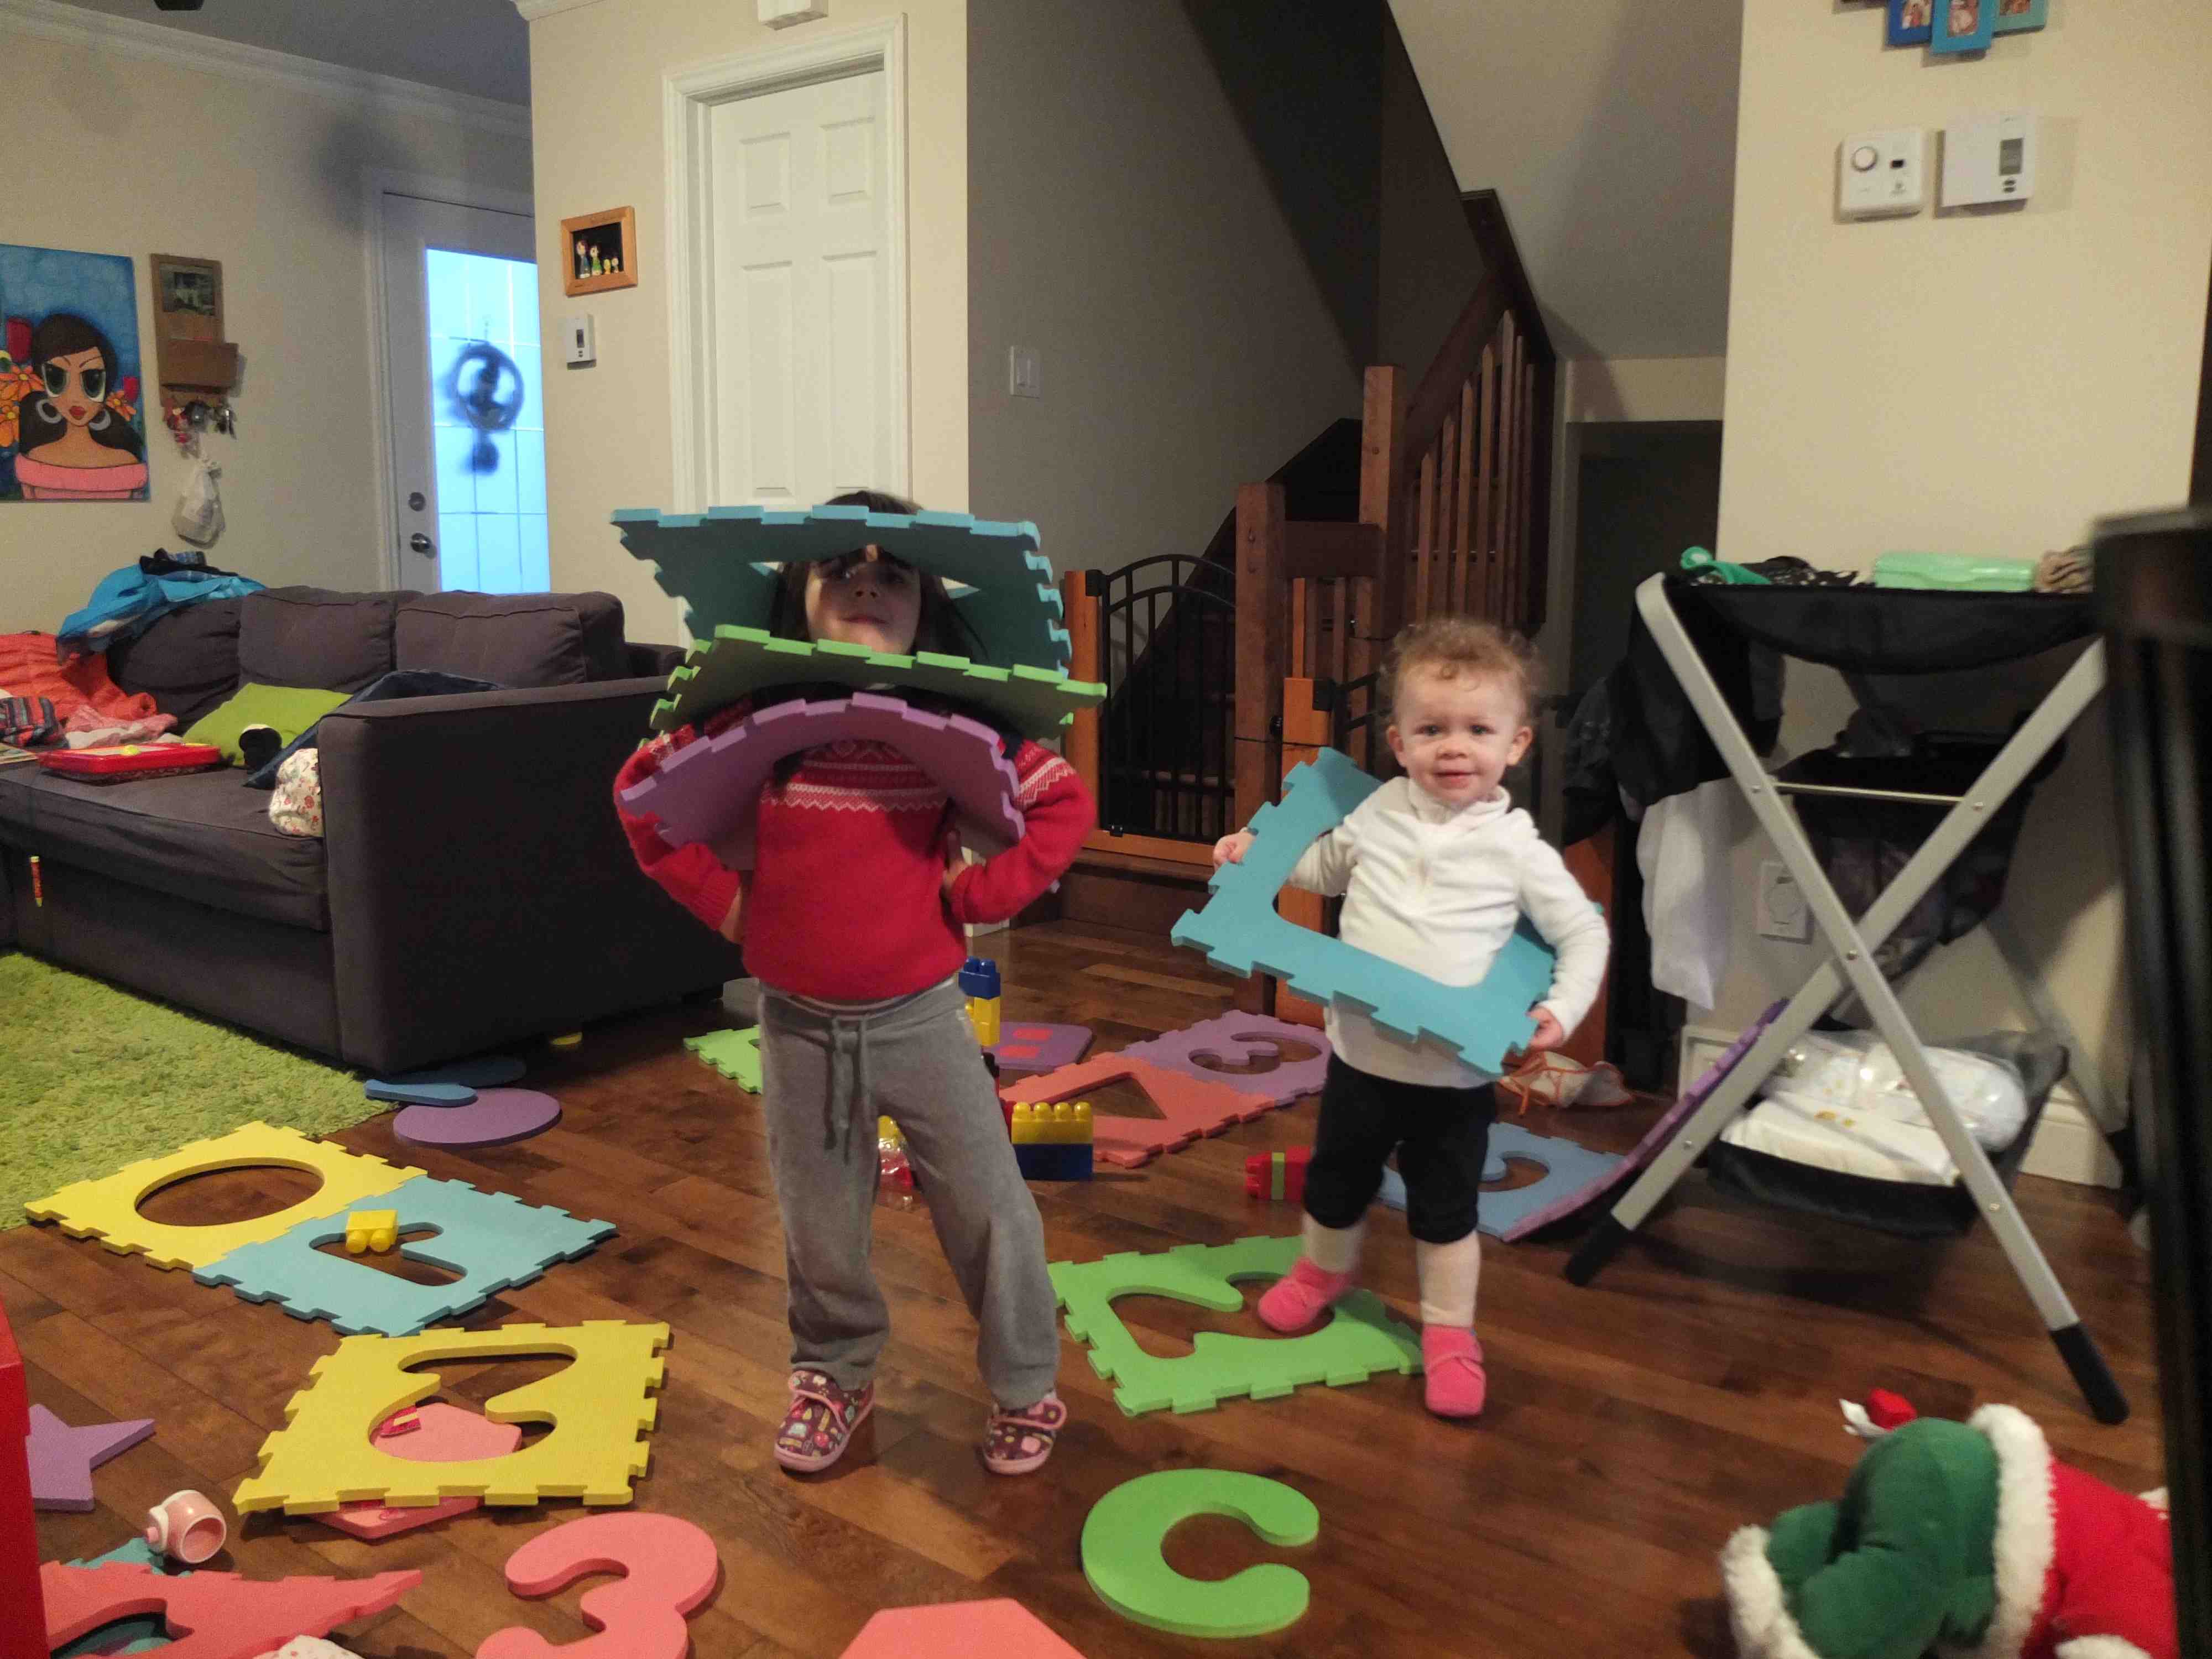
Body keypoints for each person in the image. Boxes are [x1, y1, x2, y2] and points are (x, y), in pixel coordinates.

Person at [614, 489, 1093, 1476]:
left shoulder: (949, 723)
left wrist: (981, 896)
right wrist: (730, 909)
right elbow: (643, 798)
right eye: (838, 569)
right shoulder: (759, 724)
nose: (867, 584)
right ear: (797, 601)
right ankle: (833, 1373)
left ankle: (1024, 1382)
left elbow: (1062, 804)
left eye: (894, 573)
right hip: (797, 1026)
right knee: (820, 1223)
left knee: (992, 1210)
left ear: (926, 610)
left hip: (923, 1019)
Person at [1212, 616, 1609, 1419]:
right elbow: (1326, 869)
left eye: (1477, 730)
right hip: (1361, 1056)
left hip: (1453, 1077)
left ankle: (1450, 1331)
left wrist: (1561, 1010)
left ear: (1517, 745)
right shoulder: (1380, 812)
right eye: (1431, 730)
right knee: (1335, 1182)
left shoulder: (1519, 848)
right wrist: (1260, 853)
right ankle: (1324, 1271)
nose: (1453, 748)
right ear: (1398, 742)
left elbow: (1583, 932)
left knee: (1445, 1210)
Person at [14, 314, 147, 502]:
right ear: (43, 383)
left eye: (92, 380)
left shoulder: (128, 464)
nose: (75, 396)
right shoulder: (33, 460)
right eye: (57, 378)